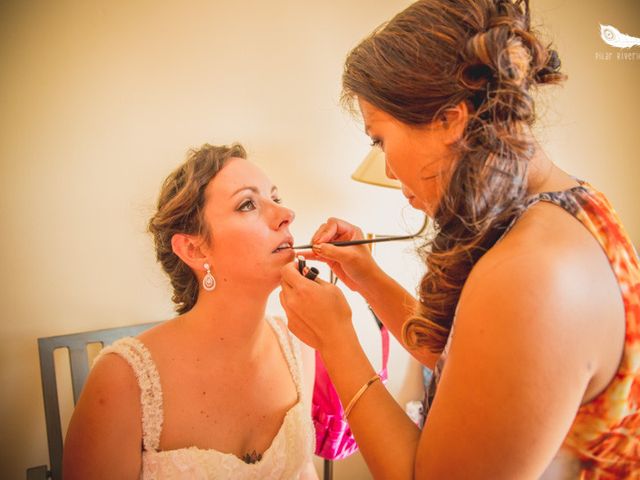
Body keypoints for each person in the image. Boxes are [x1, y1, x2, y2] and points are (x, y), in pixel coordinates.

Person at [279, 1, 640, 478]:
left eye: (379, 139)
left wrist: (336, 339)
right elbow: (469, 363)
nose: (387, 167)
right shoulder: (571, 208)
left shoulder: (534, 271)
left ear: (451, 120)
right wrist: (368, 277)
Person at [64, 144, 318, 479]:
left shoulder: (299, 345)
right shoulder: (122, 382)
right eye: (247, 204)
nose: (286, 215)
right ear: (194, 249)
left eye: (276, 198)